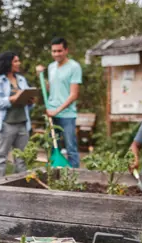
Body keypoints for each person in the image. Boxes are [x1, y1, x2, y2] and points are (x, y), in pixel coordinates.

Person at [35, 37, 83, 168]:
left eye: (59, 51)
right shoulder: (51, 67)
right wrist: (40, 76)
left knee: (71, 148)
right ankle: (54, 176)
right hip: (51, 113)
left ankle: (75, 178)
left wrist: (57, 110)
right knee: (51, 146)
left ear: (66, 50)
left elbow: (74, 95)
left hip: (67, 115)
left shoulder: (74, 67)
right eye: (54, 51)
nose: (56, 54)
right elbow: (51, 88)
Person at [0, 51, 35, 178]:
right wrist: (12, 99)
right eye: (15, 61)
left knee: (21, 158)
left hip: (23, 124)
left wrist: (30, 101)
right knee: (1, 156)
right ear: (8, 63)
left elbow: (27, 102)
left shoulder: (21, 79)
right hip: (6, 125)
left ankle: (20, 186)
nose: (18, 63)